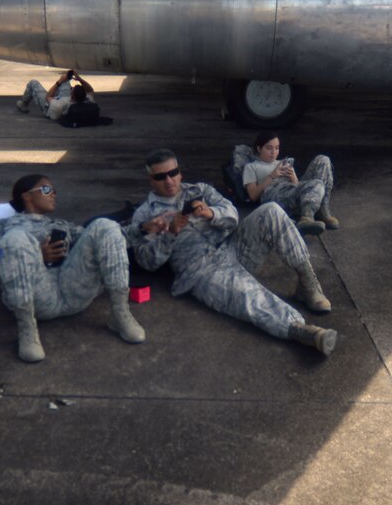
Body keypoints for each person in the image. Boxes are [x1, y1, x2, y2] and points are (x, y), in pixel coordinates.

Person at [126, 149, 337, 356]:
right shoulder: (145, 215)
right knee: (247, 295)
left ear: (180, 172)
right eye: (161, 176)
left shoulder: (199, 190)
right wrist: (170, 233)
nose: (169, 180)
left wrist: (211, 214)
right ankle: (300, 330)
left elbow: (233, 215)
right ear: (151, 179)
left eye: (173, 173)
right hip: (199, 268)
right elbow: (147, 261)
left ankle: (308, 284)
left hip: (232, 247)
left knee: (271, 210)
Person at [0, 174, 145, 363]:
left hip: (73, 288)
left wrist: (141, 229)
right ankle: (27, 330)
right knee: (16, 239)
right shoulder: (5, 226)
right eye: (46, 189)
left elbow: (104, 241)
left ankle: (120, 313)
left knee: (104, 225)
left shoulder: (61, 225)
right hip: (37, 298)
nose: (53, 195)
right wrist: (37, 255)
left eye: (54, 191)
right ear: (26, 196)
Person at [241, 133, 339, 232]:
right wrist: (272, 176)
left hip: (291, 191)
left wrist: (293, 176)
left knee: (323, 159)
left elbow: (297, 187)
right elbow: (253, 195)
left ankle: (322, 209)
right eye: (269, 148)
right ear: (259, 148)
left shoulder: (282, 162)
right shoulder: (251, 167)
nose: (273, 152)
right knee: (317, 184)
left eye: (276, 148)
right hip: (273, 194)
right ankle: (307, 218)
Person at [16, 68, 92, 120]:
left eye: (72, 89)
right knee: (66, 80)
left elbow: (48, 96)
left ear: (72, 96)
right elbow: (90, 90)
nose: (71, 89)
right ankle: (64, 80)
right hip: (66, 100)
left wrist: (59, 82)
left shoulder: (58, 105)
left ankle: (24, 104)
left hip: (50, 107)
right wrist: (79, 78)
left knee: (33, 83)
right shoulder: (88, 101)